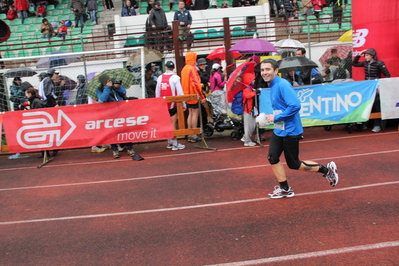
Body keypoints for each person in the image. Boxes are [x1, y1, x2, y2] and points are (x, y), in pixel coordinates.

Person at [260, 59, 338, 199]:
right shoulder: (272, 85)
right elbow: (281, 108)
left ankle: (327, 170)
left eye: (268, 69)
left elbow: (295, 106)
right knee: (272, 157)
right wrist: (272, 118)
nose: (264, 72)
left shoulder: (282, 85)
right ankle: (285, 189)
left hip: (290, 130)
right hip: (280, 128)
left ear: (276, 71)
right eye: (262, 70)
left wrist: (276, 117)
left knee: (294, 164)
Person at [96, 75, 138, 159]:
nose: (110, 82)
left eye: (109, 80)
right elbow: (104, 98)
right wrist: (107, 88)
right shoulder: (99, 89)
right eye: (107, 81)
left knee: (125, 129)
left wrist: (118, 87)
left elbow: (123, 92)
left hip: (121, 111)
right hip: (110, 113)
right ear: (104, 82)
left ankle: (130, 148)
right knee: (112, 132)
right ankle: (115, 150)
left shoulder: (114, 86)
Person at [352, 48, 391, 133]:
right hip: (367, 86)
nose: (365, 57)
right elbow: (354, 63)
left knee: (376, 105)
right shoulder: (365, 63)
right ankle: (364, 123)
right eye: (365, 55)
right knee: (366, 104)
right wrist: (359, 54)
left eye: (367, 55)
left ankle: (377, 125)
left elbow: (387, 75)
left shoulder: (379, 63)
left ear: (372, 56)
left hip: (375, 86)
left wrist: (380, 86)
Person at [156, 61, 187, 151]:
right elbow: (180, 92)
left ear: (166, 67)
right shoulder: (175, 78)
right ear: (173, 68)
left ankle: (170, 142)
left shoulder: (160, 78)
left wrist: (158, 104)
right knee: (173, 124)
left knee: (167, 124)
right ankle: (174, 143)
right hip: (172, 104)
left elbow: (157, 92)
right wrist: (184, 103)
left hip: (163, 104)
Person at [181, 51, 206, 143]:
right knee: (195, 114)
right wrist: (201, 95)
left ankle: (190, 133)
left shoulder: (184, 69)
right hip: (193, 94)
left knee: (190, 114)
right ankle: (194, 134)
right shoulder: (192, 69)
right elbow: (196, 83)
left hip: (186, 94)